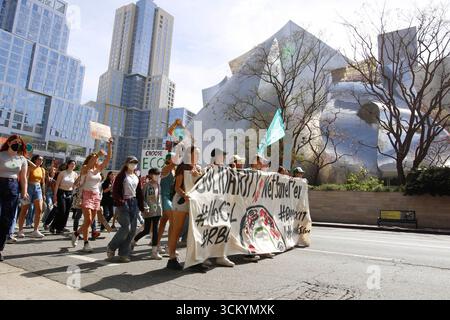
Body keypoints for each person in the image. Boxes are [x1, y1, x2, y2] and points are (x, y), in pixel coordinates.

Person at [167, 146, 206, 272]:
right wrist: (185, 195)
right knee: (176, 230)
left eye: (199, 155)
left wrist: (199, 175)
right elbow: (177, 187)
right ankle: (171, 258)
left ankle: (194, 259)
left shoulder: (197, 168)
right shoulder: (182, 167)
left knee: (194, 231)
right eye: (196, 154)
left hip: (194, 202)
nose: (198, 157)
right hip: (181, 201)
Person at [71, 138, 113, 253]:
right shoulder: (85, 168)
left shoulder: (99, 169)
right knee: (88, 220)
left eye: (98, 158)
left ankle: (77, 234)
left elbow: (108, 158)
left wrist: (109, 145)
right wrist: (97, 154)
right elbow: (89, 165)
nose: (98, 160)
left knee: (89, 221)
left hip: (96, 196)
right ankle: (85, 242)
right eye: (96, 158)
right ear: (91, 159)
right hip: (86, 195)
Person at [106, 156, 144, 263]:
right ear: (127, 163)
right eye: (131, 162)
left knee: (132, 230)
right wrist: (121, 202)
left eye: (135, 162)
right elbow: (115, 191)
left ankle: (123, 253)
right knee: (126, 227)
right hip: (123, 203)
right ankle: (111, 247)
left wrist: (141, 206)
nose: (134, 164)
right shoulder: (121, 176)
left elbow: (139, 192)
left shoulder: (136, 176)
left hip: (134, 203)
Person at [0, 135, 29, 262]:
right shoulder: (1, 155)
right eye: (15, 142)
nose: (17, 144)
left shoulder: (22, 159)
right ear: (9, 142)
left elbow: (23, 178)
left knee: (7, 219)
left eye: (19, 143)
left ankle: (0, 248)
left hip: (13, 188)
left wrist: (24, 192)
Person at [207, 148, 235, 268]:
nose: (224, 157)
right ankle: (206, 256)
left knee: (225, 227)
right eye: (222, 155)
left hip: (222, 204)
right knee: (209, 230)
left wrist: (233, 170)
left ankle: (220, 256)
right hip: (210, 205)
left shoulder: (225, 169)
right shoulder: (208, 169)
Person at [132, 168, 163, 260]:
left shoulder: (158, 185)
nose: (157, 176)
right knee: (146, 230)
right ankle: (133, 241)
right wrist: (145, 207)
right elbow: (142, 198)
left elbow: (159, 198)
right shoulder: (146, 186)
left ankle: (154, 252)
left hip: (157, 211)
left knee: (155, 230)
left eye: (158, 174)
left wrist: (160, 209)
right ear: (150, 175)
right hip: (148, 211)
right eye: (155, 174)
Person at [17, 155, 46, 238]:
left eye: (42, 160)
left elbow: (43, 183)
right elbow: (25, 179)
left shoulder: (42, 170)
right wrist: (24, 191)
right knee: (24, 209)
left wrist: (44, 194)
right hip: (28, 187)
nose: (40, 161)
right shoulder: (29, 168)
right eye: (39, 159)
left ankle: (36, 230)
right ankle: (20, 230)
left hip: (38, 189)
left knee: (39, 209)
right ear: (35, 160)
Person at [156, 153, 176, 255]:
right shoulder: (165, 168)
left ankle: (157, 244)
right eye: (173, 158)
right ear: (169, 159)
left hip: (171, 198)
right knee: (173, 222)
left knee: (163, 222)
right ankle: (169, 246)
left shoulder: (173, 170)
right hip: (164, 197)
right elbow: (174, 163)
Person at [50, 160, 78, 234]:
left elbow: (75, 185)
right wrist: (55, 195)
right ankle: (53, 226)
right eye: (71, 164)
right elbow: (57, 185)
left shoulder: (75, 174)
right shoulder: (62, 173)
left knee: (66, 212)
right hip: (61, 192)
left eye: (74, 164)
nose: (73, 165)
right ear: (68, 165)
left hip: (70, 193)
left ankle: (60, 228)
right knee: (62, 210)